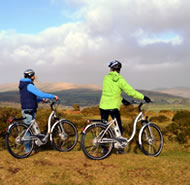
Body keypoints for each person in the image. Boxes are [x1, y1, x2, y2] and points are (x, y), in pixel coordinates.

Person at [99, 60, 151, 152]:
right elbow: (130, 91)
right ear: (119, 69)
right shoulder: (120, 80)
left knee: (103, 126)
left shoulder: (106, 78)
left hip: (103, 105)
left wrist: (123, 100)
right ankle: (118, 148)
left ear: (111, 69)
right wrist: (143, 97)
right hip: (113, 106)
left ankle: (103, 148)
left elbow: (110, 92)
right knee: (118, 127)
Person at [19, 69, 58, 154]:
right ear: (31, 76)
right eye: (34, 75)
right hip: (29, 110)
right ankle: (28, 149)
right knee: (28, 130)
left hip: (26, 109)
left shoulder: (23, 85)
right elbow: (40, 93)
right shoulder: (29, 85)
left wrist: (41, 100)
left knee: (30, 129)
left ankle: (31, 147)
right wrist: (52, 96)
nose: (34, 77)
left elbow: (31, 98)